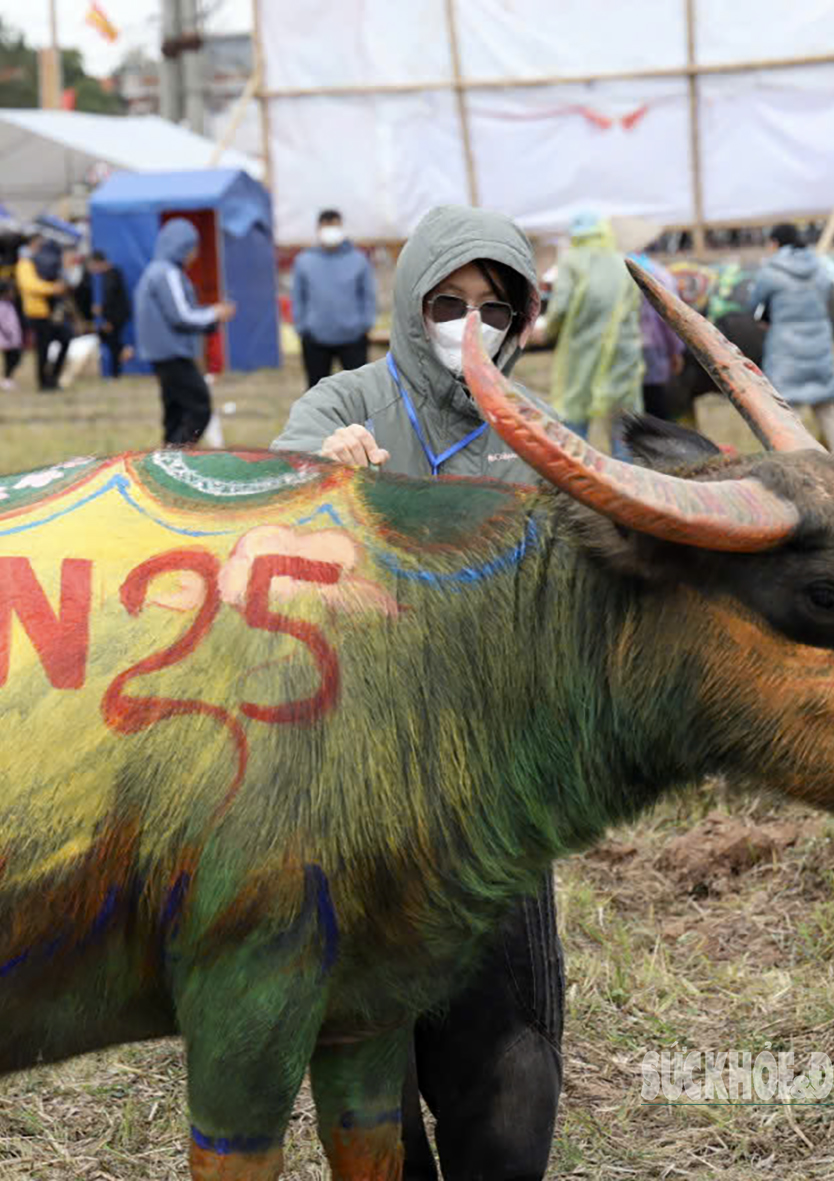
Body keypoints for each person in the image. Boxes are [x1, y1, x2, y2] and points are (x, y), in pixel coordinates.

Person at [272, 205, 564, 1181]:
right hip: (354, 795)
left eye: (492, 305)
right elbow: (266, 520)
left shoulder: (540, 440)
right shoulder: (340, 406)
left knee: (507, 1066)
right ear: (409, 304)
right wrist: (321, 482)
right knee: (369, 1086)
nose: (468, 324)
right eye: (447, 302)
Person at [749, 224, 834, 483]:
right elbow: (827, 299)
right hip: (820, 348)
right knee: (828, 411)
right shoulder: (819, 268)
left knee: (789, 415)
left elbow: (753, 303)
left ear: (776, 243)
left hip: (786, 351)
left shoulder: (770, 271)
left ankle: (797, 473)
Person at [546, 210, 643, 457]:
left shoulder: (571, 261)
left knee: (574, 417)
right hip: (622, 354)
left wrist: (548, 332)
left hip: (582, 355)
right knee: (623, 424)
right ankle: (629, 484)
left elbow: (560, 307)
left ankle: (577, 481)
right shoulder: (622, 260)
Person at [135, 219, 235, 444]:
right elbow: (181, 315)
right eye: (193, 248)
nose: (195, 254)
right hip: (172, 353)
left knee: (175, 410)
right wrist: (215, 313)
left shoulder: (155, 270)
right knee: (199, 406)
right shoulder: (167, 272)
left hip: (162, 353)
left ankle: (169, 454)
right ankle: (180, 454)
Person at [291, 208, 377, 388]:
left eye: (335, 226)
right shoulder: (304, 261)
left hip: (353, 338)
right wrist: (302, 327)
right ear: (318, 229)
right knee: (316, 392)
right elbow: (298, 297)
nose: (331, 231)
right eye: (326, 226)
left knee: (359, 390)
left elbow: (368, 295)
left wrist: (364, 324)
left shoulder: (358, 260)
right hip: (315, 339)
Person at [629, 253, 686, 422]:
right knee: (656, 402)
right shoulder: (660, 275)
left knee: (632, 407)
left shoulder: (615, 273)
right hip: (653, 349)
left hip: (623, 351)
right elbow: (670, 317)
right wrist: (675, 350)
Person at [15, 234, 67, 390]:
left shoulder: (45, 264)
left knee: (66, 339)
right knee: (43, 349)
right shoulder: (25, 264)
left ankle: (54, 376)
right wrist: (53, 289)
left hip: (50, 312)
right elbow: (30, 286)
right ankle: (44, 382)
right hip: (36, 312)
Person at [75, 251, 131, 378]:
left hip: (114, 317)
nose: (92, 269)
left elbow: (112, 300)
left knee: (114, 344)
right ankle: (111, 370)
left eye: (93, 266)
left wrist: (108, 320)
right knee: (109, 343)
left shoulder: (112, 276)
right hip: (105, 318)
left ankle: (115, 372)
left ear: (99, 263)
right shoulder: (98, 277)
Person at [0, 282, 24, 391]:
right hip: (6, 338)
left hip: (13, 337)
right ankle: (6, 380)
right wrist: (7, 334)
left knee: (16, 358)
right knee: (10, 359)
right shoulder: (0, 305)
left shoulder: (10, 304)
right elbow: (0, 322)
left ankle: (9, 379)